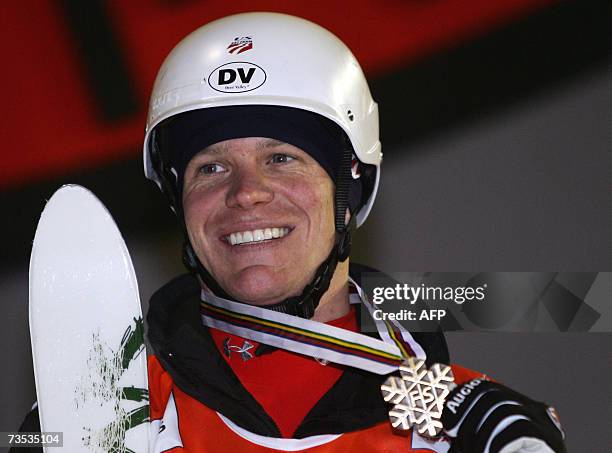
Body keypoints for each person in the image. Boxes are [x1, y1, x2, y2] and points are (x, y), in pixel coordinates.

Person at [16, 12, 566, 453]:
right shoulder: (114, 405)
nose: (245, 193)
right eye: (210, 167)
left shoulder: (468, 420)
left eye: (281, 158)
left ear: (348, 193)